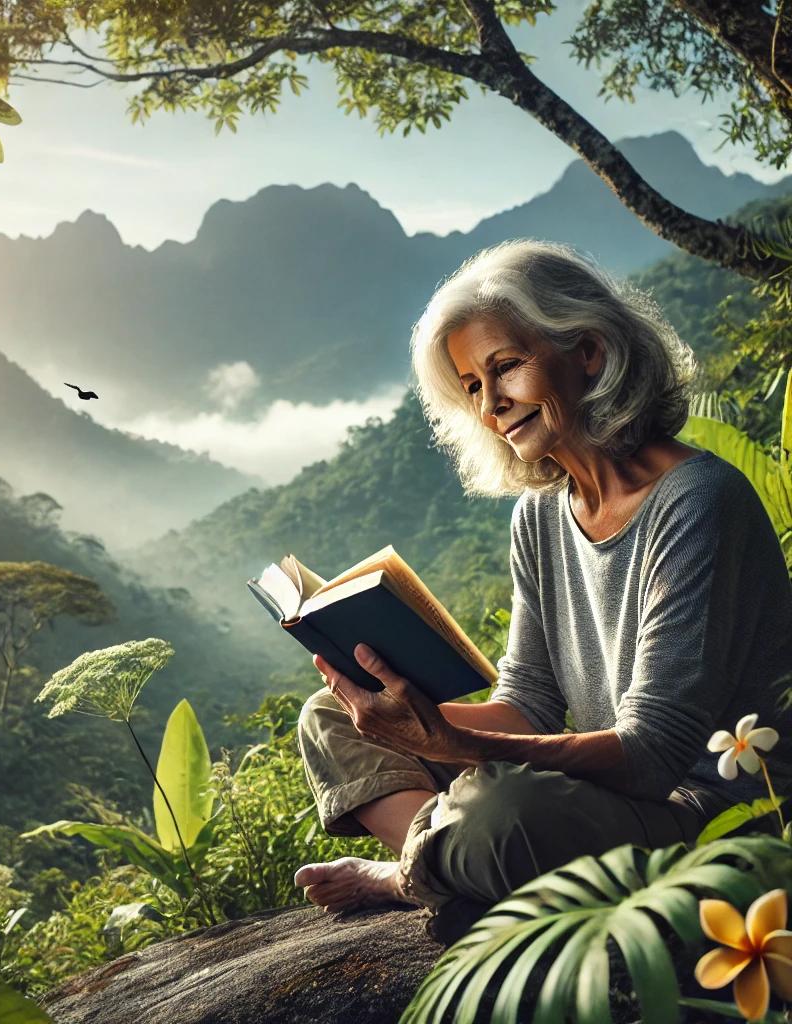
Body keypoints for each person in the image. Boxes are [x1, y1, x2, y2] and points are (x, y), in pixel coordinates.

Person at [293, 239, 792, 939]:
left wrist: (458, 751)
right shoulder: (541, 514)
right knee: (332, 714)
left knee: (500, 808)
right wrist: (407, 720)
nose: (493, 404)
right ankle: (448, 863)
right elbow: (527, 704)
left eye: (506, 367)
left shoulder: (698, 500)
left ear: (587, 351)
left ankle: (413, 877)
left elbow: (651, 756)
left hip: (702, 822)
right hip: (602, 798)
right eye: (472, 387)